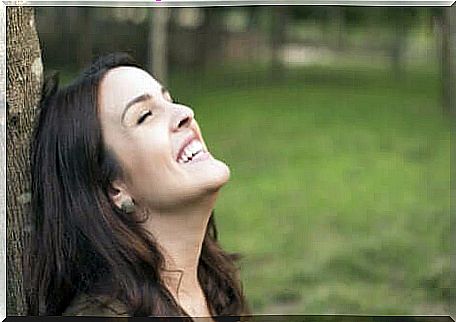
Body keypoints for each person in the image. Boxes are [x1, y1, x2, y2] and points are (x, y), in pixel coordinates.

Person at [25, 53, 249, 320]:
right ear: (114, 188)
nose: (185, 113)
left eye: (169, 100)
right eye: (145, 116)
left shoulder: (212, 283)